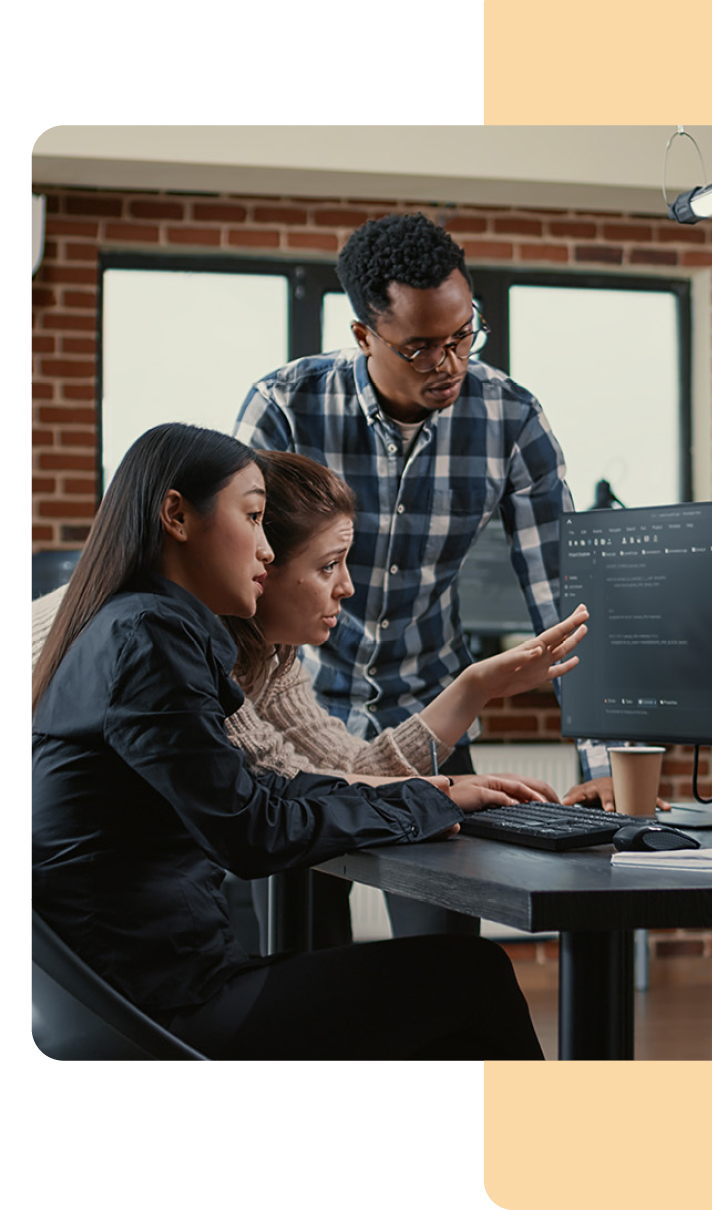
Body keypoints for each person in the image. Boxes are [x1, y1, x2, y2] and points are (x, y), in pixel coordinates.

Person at [31, 422, 552, 1060]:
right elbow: (252, 831)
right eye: (252, 518)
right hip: (160, 1009)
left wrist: (430, 792)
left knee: (438, 987)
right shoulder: (149, 639)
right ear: (176, 516)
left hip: (120, 992)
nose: (267, 550)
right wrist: (428, 804)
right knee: (475, 977)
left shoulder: (135, 624)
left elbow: (263, 787)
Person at [232, 211, 624, 938]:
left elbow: (560, 595)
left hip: (430, 713)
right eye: (420, 347)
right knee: (298, 957)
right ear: (363, 336)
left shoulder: (511, 419)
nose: (449, 364)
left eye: (462, 335)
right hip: (297, 722)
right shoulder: (286, 406)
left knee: (445, 958)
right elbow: (235, 582)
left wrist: (601, 759)